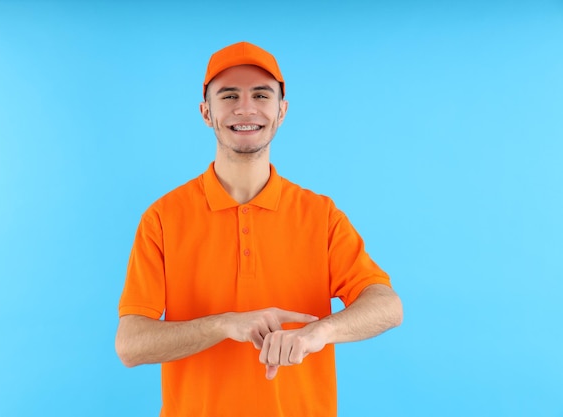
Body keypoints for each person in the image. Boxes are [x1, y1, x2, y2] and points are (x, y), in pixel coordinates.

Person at [115, 41, 403, 417]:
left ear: (282, 111)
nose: (245, 108)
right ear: (206, 112)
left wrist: (319, 333)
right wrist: (224, 324)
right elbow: (130, 344)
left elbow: (387, 306)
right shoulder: (163, 218)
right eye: (229, 95)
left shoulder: (321, 215)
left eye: (261, 95)